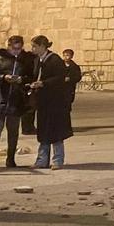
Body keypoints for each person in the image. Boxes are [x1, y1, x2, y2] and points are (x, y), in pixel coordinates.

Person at [0, 36, 33, 170]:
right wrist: (4, 77)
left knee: (13, 131)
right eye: (14, 48)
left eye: (19, 48)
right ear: (9, 46)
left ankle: (11, 158)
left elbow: (30, 76)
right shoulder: (0, 57)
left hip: (16, 100)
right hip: (0, 99)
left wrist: (21, 80)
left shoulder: (26, 59)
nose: (17, 51)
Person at [28, 36, 72, 170]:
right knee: (43, 130)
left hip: (55, 102)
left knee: (56, 131)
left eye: (35, 46)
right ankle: (42, 160)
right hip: (42, 102)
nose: (33, 49)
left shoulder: (55, 60)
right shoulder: (37, 60)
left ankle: (58, 160)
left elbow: (60, 78)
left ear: (42, 46)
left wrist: (44, 83)